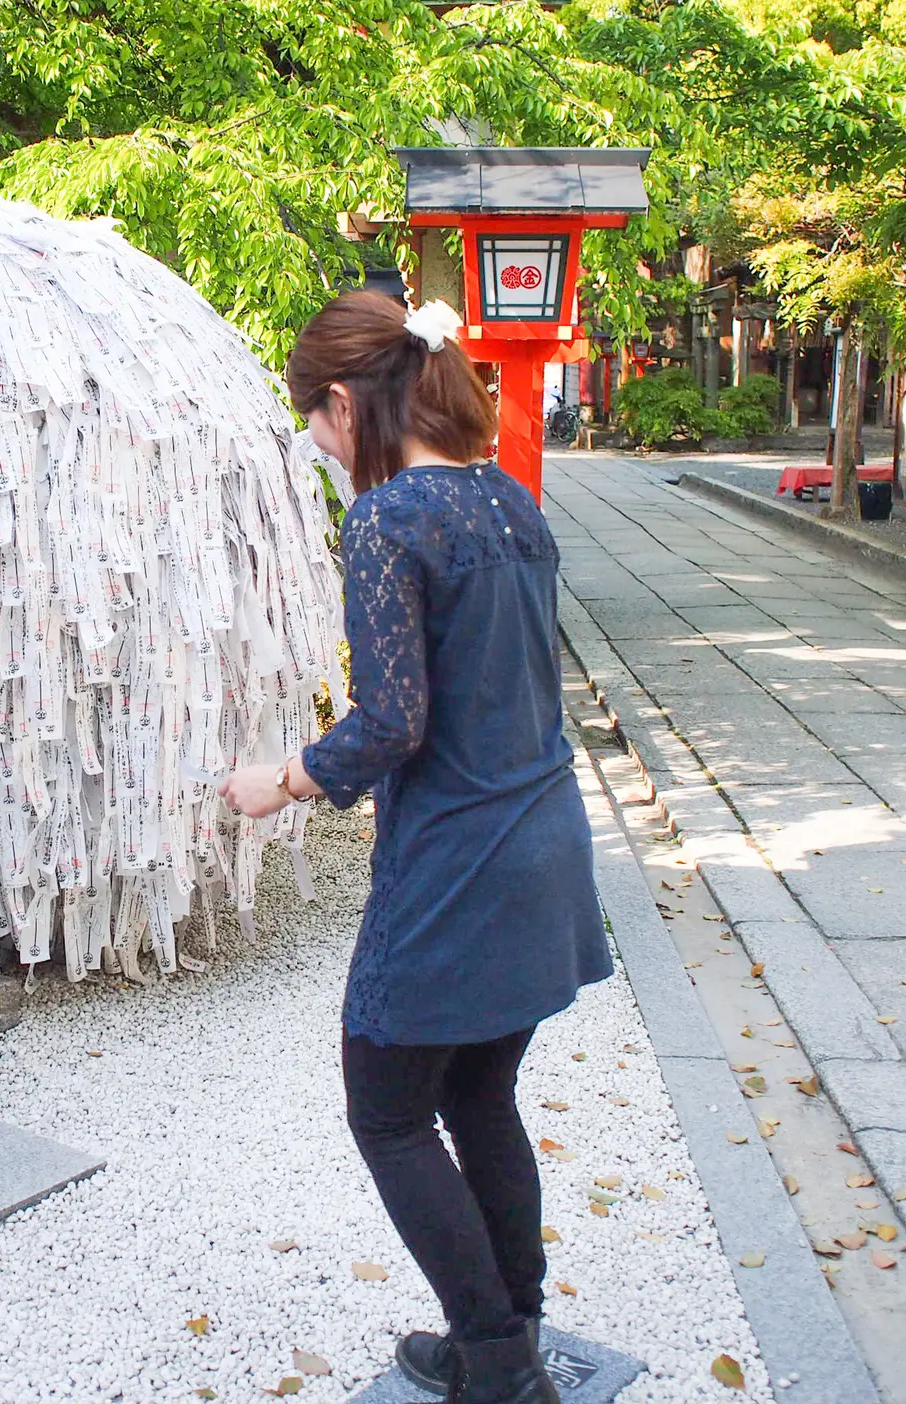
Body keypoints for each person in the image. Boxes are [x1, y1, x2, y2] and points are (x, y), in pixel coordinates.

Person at [221, 291, 613, 1404]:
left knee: (385, 1108)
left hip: (458, 861)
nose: (325, 452)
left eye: (319, 428)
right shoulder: (508, 504)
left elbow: (393, 720)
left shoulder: (390, 520)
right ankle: (512, 1336)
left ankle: (495, 1366)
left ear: (344, 404)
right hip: (543, 843)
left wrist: (282, 780)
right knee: (480, 1097)